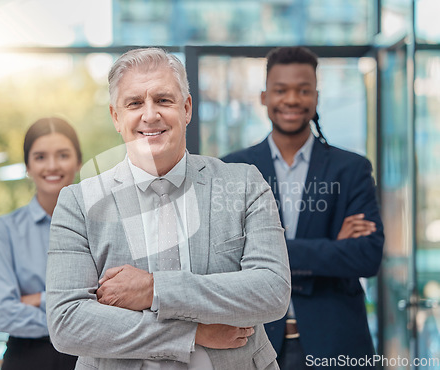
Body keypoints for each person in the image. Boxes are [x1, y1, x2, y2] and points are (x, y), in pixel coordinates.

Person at [45, 47, 291, 370]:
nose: (150, 115)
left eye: (163, 100)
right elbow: (67, 323)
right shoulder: (78, 202)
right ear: (116, 117)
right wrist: (191, 333)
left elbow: (271, 291)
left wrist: (154, 289)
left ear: (186, 108)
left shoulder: (244, 184)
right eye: (134, 103)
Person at [222, 46, 385, 369]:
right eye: (281, 90)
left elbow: (366, 256)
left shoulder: (351, 169)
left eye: (303, 90)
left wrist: (266, 254)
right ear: (264, 97)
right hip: (253, 345)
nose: (292, 100)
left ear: (316, 97)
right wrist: (332, 249)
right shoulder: (233, 169)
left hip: (336, 343)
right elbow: (223, 258)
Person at [0, 117, 81, 370]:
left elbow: (112, 300)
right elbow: (3, 312)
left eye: (62, 155)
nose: (52, 166)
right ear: (27, 166)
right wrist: (75, 314)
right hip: (28, 359)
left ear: (78, 161)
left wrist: (37, 298)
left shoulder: (101, 225)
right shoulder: (4, 231)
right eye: (40, 157)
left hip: (90, 358)